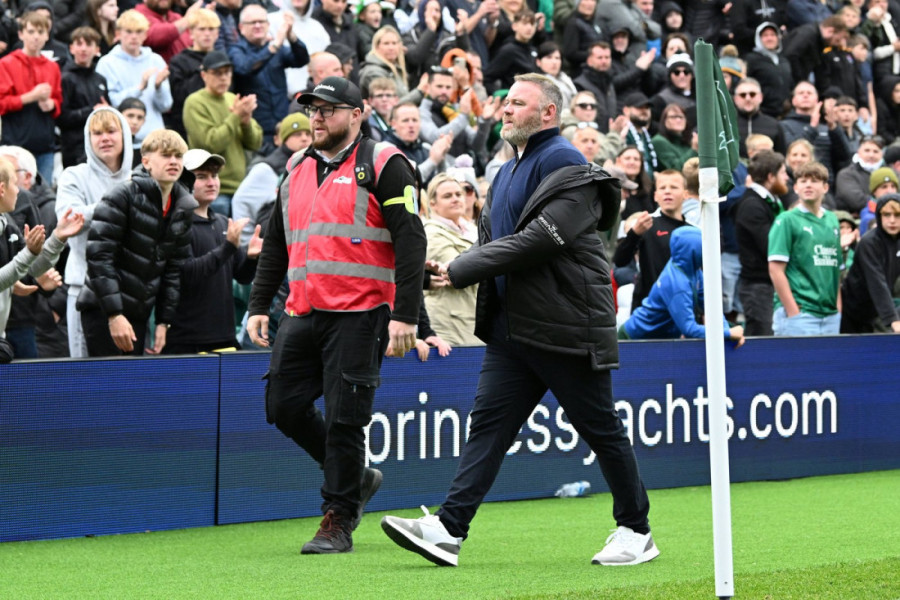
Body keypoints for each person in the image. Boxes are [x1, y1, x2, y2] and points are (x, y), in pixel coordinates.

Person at [380, 73, 658, 569]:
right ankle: (448, 529)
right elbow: (493, 245)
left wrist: (462, 268)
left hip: (565, 323)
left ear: (548, 112)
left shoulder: (571, 165)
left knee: (600, 429)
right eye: (505, 103)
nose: (505, 110)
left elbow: (540, 240)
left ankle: (636, 530)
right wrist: (445, 270)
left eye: (518, 104)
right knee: (487, 425)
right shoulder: (507, 172)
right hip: (513, 328)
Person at [245, 77, 426, 554]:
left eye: (329, 108)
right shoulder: (296, 167)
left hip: (362, 312)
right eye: (312, 108)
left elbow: (411, 239)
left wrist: (406, 315)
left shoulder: (384, 162)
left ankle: (338, 518)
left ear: (357, 113)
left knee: (347, 419)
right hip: (302, 309)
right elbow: (277, 243)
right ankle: (356, 477)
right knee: (281, 406)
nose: (317, 116)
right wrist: (258, 304)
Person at [76, 129, 196, 357]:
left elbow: (173, 270)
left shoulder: (184, 205)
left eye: (178, 156)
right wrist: (114, 315)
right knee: (105, 387)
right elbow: (99, 258)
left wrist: (163, 322)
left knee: (131, 389)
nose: (173, 161)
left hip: (140, 312)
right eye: (166, 155)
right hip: (103, 309)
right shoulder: (121, 195)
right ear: (146, 161)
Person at [163, 149, 262, 353]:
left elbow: (241, 276)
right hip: (187, 342)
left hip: (224, 338)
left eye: (214, 175)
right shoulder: (176, 224)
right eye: (201, 177)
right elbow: (187, 273)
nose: (212, 182)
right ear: (183, 182)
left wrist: (252, 258)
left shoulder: (222, 222)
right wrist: (228, 247)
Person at [55, 107, 133, 357]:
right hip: (84, 290)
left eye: (111, 131)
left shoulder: (139, 178)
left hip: (131, 291)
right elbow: (68, 219)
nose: (104, 138)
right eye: (96, 133)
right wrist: (119, 202)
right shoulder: (74, 175)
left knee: (130, 376)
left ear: (125, 136)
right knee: (85, 375)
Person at [0, 157, 83, 346]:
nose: (18, 191)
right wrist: (28, 254)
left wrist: (57, 238)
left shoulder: (6, 224)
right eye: (15, 184)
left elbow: (34, 269)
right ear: (2, 190)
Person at [622, 227, 746, 345]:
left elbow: (711, 306)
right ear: (694, 250)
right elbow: (689, 329)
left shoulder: (691, 270)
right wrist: (726, 333)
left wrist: (727, 332)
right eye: (704, 247)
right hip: (632, 339)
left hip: (655, 340)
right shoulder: (677, 284)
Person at [183, 50, 263, 217]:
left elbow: (255, 143)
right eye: (217, 73)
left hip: (240, 187)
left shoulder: (232, 98)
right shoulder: (195, 102)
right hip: (213, 189)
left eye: (227, 72)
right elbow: (210, 144)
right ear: (204, 75)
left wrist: (246, 121)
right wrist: (235, 116)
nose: (223, 77)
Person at [768, 161, 843, 336]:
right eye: (803, 181)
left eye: (814, 181)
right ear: (795, 187)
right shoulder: (786, 220)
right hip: (801, 314)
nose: (808, 185)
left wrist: (838, 310)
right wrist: (793, 311)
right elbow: (775, 270)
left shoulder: (833, 220)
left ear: (825, 187)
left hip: (830, 315)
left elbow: (836, 270)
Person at [613, 169, 690, 311]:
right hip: (648, 308)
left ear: (686, 194)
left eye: (674, 187)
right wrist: (634, 233)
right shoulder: (645, 225)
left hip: (683, 308)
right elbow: (619, 260)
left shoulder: (692, 231)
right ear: (655, 196)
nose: (667, 191)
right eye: (662, 188)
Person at [0, 11, 62, 187]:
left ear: (47, 35)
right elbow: (2, 104)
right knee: (16, 195)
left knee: (45, 196)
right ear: (21, 34)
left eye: (41, 32)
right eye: (31, 31)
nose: (36, 37)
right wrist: (31, 97)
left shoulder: (52, 67)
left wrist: (51, 104)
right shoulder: (6, 63)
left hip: (45, 144)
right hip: (15, 145)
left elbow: (58, 103)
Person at [734, 149, 789, 336]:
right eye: (783, 173)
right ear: (771, 177)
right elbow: (771, 246)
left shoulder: (771, 202)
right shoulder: (752, 205)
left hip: (769, 285)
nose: (787, 178)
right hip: (758, 288)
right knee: (762, 342)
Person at [95, 10, 172, 145]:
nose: (134, 37)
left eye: (139, 32)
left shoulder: (156, 60)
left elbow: (165, 105)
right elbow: (112, 103)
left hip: (154, 139)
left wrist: (158, 87)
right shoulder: (106, 63)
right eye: (129, 32)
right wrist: (140, 87)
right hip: (123, 140)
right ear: (118, 34)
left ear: (145, 35)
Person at [422, 173, 480, 346]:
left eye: (458, 194)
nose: (455, 199)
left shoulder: (473, 230)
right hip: (449, 325)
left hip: (474, 319)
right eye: (447, 196)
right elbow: (458, 272)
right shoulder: (429, 232)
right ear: (433, 204)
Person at [840, 192, 900, 333]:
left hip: (875, 312)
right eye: (887, 215)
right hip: (852, 312)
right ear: (879, 216)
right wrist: (893, 320)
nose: (892, 220)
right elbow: (876, 282)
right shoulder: (869, 243)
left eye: (897, 215)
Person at [59, 27, 110, 168]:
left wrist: (106, 111)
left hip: (99, 145)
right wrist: (93, 111)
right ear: (71, 48)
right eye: (79, 44)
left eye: (88, 44)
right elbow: (62, 117)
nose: (83, 49)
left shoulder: (100, 79)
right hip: (74, 148)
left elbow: (106, 108)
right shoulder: (65, 78)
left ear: (97, 49)